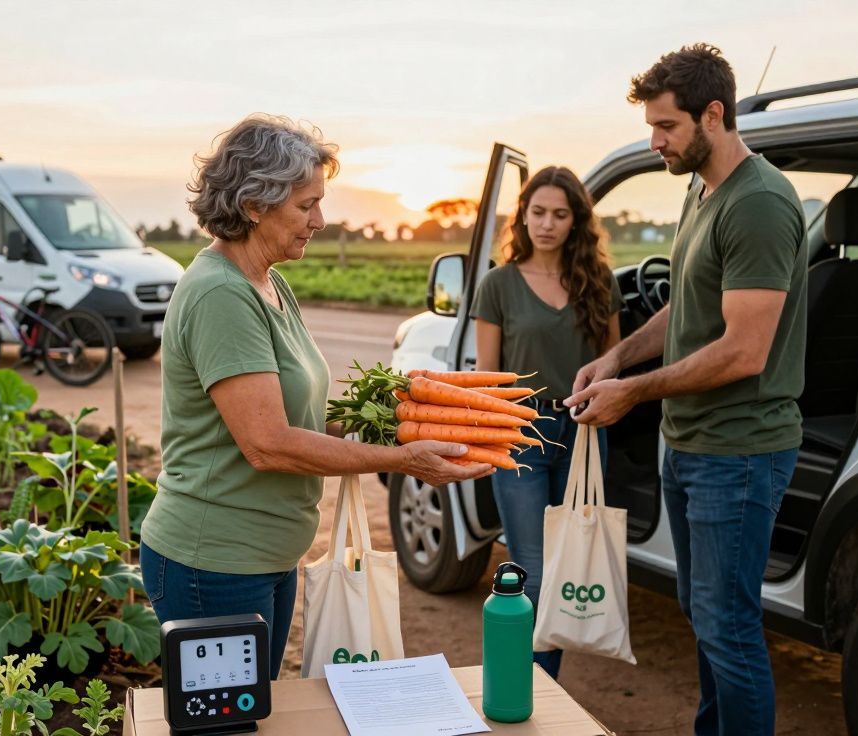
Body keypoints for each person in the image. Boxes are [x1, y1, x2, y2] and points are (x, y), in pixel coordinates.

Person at [139, 114, 493, 679]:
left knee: (258, 712)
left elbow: (299, 413)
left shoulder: (268, 281)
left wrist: (403, 418)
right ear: (255, 204)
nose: (319, 220)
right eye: (306, 206)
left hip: (264, 557)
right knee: (230, 725)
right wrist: (404, 460)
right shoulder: (219, 296)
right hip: (214, 563)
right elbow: (270, 445)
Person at [566, 45, 807, 735]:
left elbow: (742, 349)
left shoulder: (758, 202)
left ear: (713, 113)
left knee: (728, 628)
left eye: (666, 127)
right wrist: (618, 357)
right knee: (705, 617)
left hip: (738, 449)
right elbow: (688, 309)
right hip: (691, 442)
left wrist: (634, 393)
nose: (655, 142)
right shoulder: (701, 190)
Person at [472, 165, 622, 680]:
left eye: (560, 214)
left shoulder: (597, 281)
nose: (547, 224)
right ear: (524, 217)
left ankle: (542, 690)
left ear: (576, 221)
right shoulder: (499, 284)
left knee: (569, 567)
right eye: (538, 212)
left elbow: (611, 362)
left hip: (584, 434)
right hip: (522, 435)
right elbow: (488, 379)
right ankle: (526, 685)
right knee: (532, 571)